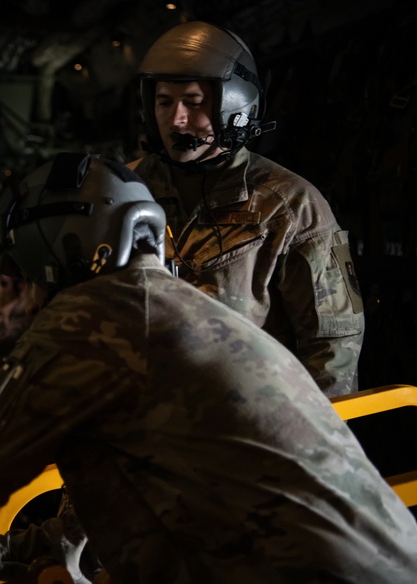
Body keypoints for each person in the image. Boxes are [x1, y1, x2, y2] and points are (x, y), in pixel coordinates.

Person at [0, 154, 417, 584]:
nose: (18, 285)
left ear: (52, 243)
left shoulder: (92, 319)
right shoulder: (185, 312)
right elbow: (93, 526)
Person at [128, 21, 365, 398]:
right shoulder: (124, 192)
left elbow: (332, 344)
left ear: (233, 106)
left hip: (248, 425)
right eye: (163, 102)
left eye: (193, 101)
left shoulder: (289, 204)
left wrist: (314, 441)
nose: (176, 120)